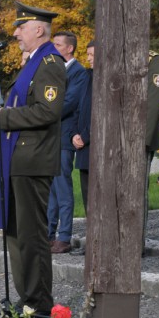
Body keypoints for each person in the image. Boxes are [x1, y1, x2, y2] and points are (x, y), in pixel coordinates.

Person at [0, 1, 66, 316]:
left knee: (31, 235)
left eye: (21, 27)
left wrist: (6, 117)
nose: (15, 33)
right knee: (16, 235)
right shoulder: (31, 64)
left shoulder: (49, 63)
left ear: (39, 29)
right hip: (16, 160)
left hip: (32, 161)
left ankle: (39, 302)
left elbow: (48, 110)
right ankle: (27, 297)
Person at [47, 31, 89, 254]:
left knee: (62, 188)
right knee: (51, 189)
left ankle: (64, 237)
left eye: (58, 44)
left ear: (70, 48)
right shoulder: (56, 70)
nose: (54, 48)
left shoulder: (78, 72)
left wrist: (43, 113)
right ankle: (48, 234)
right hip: (51, 135)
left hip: (64, 136)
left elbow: (69, 102)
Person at [143, 50, 159, 254]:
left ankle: (135, 242)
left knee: (135, 193)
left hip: (137, 141)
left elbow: (153, 102)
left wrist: (141, 141)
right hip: (113, 143)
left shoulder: (154, 61)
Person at [72, 41, 95, 214]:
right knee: (87, 193)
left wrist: (86, 136)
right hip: (82, 145)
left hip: (96, 145)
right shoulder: (87, 77)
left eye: (93, 55)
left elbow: (103, 113)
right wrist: (74, 134)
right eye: (88, 54)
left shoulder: (108, 79)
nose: (89, 59)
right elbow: (77, 107)